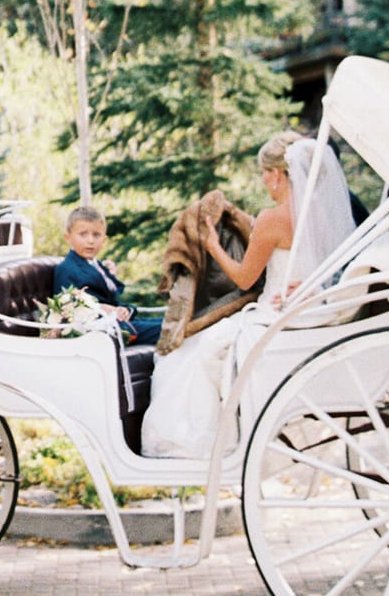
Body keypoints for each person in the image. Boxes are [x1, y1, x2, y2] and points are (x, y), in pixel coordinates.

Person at [143, 131, 355, 458]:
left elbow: (244, 279)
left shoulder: (274, 219)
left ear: (275, 174)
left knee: (192, 352)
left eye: (264, 174)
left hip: (275, 313)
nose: (263, 182)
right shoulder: (320, 214)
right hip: (308, 307)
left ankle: (198, 443)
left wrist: (214, 246)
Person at [54, 206, 161, 345]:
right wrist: (103, 308)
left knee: (172, 321)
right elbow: (67, 306)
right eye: (83, 234)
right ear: (68, 238)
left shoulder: (97, 265)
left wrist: (126, 309)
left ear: (104, 240)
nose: (90, 241)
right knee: (170, 328)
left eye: (96, 235)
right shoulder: (67, 268)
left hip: (118, 323)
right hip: (101, 332)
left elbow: (113, 297)